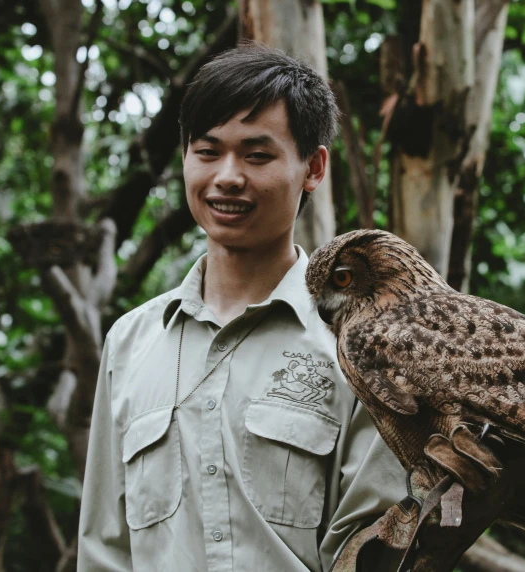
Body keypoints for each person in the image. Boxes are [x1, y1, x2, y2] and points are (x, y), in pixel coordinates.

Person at [77, 44, 405, 571]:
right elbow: (104, 550)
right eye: (207, 152)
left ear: (313, 167)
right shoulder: (130, 343)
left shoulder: (360, 348)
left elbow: (375, 554)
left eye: (257, 156)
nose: (227, 176)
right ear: (185, 156)